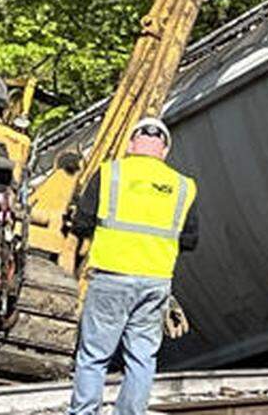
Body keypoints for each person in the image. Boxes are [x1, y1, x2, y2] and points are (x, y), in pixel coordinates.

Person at [68, 117, 198, 415]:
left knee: (93, 356)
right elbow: (190, 240)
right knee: (142, 358)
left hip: (110, 277)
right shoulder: (183, 186)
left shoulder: (109, 173)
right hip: (155, 282)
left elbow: (81, 224)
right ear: (165, 151)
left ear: (130, 145)